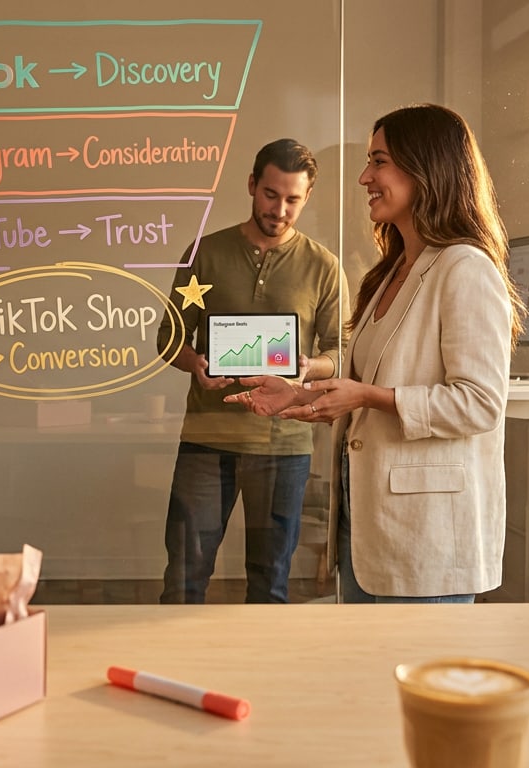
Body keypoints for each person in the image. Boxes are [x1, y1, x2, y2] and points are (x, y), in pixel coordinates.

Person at [227, 104, 524, 604]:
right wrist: (303, 394)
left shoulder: (465, 269)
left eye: (378, 161)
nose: (365, 176)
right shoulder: (394, 271)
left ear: (424, 167)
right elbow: (372, 377)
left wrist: (367, 396)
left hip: (426, 540)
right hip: (371, 531)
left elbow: (479, 404)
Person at [155, 138, 343, 604]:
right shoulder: (205, 253)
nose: (279, 209)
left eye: (292, 199)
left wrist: (307, 367)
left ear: (306, 198)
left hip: (284, 445)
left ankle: (263, 675)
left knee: (271, 578)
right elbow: (169, 338)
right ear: (252, 186)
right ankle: (168, 667)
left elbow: (343, 349)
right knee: (184, 574)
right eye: (270, 194)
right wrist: (195, 363)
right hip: (206, 437)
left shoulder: (323, 266)